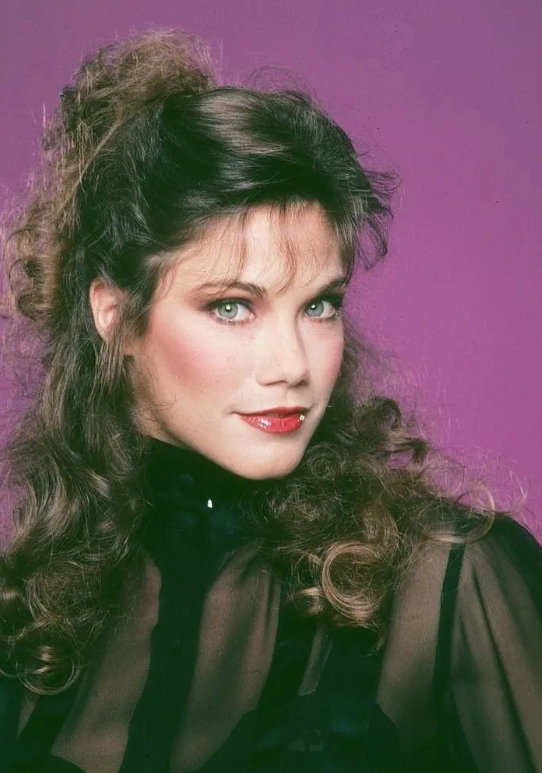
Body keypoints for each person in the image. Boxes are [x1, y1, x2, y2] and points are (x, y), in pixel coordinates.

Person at [0, 29, 541, 773]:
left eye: (319, 305)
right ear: (114, 313)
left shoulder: (451, 583)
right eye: (231, 307)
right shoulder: (26, 625)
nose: (292, 365)